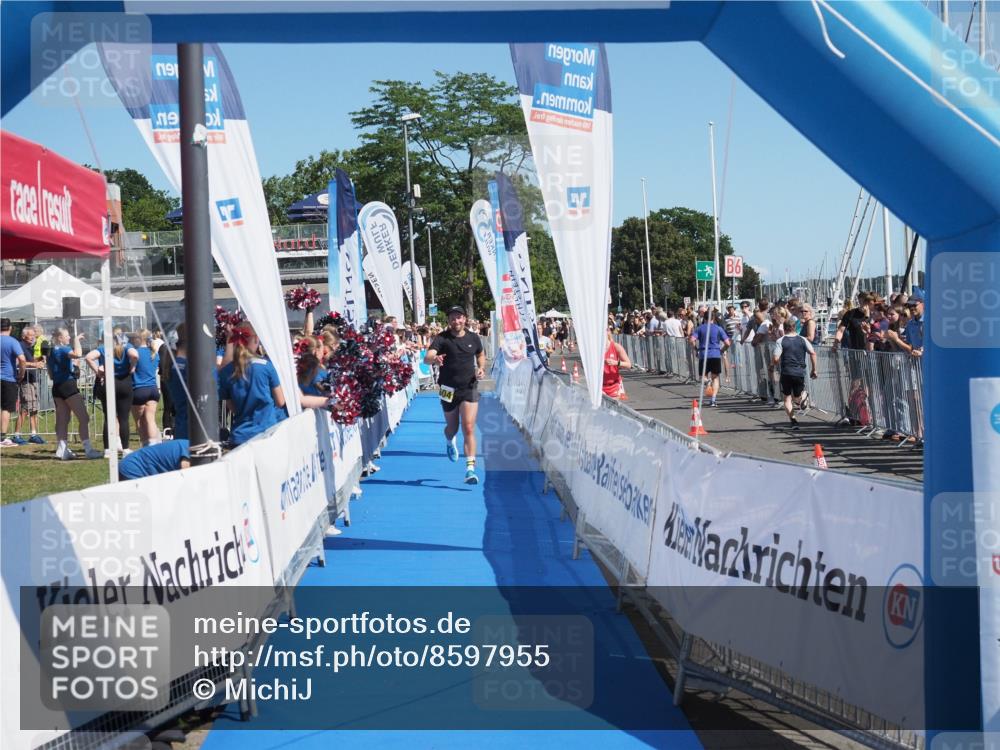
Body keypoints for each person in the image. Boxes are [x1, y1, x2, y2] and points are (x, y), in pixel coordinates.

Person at [424, 306, 486, 484]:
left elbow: (480, 354)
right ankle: (449, 441)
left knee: (468, 427)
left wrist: (481, 368)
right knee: (453, 428)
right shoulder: (442, 338)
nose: (456, 321)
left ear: (465, 319)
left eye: (459, 318)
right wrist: (434, 359)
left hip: (469, 387)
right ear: (449, 321)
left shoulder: (473, 337)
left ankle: (470, 469)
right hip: (447, 389)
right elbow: (427, 357)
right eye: (452, 318)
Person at [218, 324, 286, 446]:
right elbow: (280, 401)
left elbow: (232, 407)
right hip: (266, 434)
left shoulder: (225, 372)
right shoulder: (266, 366)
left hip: (240, 437)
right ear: (256, 339)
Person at [47, 327, 102, 459]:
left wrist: (72, 367)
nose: (69, 338)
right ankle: (88, 450)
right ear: (60, 338)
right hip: (68, 386)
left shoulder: (50, 351)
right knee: (84, 418)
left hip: (57, 386)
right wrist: (77, 340)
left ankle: (62, 449)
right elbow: (78, 353)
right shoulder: (64, 349)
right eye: (67, 336)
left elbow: (50, 372)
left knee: (63, 419)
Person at [85, 329, 139, 454]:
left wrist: (98, 372)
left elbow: (88, 357)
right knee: (124, 418)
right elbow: (135, 355)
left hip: (108, 382)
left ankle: (107, 449)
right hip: (124, 383)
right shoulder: (126, 347)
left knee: (108, 418)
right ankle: (125, 448)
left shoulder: (103, 348)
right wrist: (133, 367)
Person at [772, 319, 818, 429]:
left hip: (786, 372)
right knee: (796, 398)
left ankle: (793, 420)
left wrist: (773, 365)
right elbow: (813, 353)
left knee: (787, 398)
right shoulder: (802, 339)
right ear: (794, 327)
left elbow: (775, 358)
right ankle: (801, 399)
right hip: (799, 372)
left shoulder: (780, 341)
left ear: (784, 328)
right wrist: (814, 369)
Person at [12, 324, 46, 444]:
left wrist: (40, 359)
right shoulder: (20, 346)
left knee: (34, 408)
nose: (33, 338)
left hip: (33, 380)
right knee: (25, 408)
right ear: (24, 336)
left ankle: (34, 434)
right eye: (30, 335)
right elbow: (18, 363)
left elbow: (31, 361)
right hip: (25, 381)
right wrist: (34, 365)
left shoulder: (30, 347)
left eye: (34, 335)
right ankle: (16, 435)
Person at [689, 311, 731, 407]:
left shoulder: (699, 328)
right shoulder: (718, 328)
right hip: (715, 354)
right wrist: (722, 350)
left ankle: (707, 382)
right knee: (715, 378)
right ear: (714, 318)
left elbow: (691, 340)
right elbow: (728, 343)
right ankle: (713, 400)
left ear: (704, 318)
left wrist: (696, 349)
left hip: (704, 354)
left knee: (702, 377)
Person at [131, 329, 163, 446]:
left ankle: (145, 445)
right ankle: (153, 445)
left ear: (138, 339)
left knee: (139, 421)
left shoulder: (134, 353)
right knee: (150, 419)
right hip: (153, 389)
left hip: (138, 389)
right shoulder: (154, 353)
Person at [1, 318, 26, 447]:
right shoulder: (12, 342)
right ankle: (2, 438)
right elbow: (22, 359)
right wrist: (21, 374)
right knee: (6, 409)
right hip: (7, 378)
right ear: (10, 328)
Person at [119, 439, 191, 481]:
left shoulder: (189, 445)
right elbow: (186, 477)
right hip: (134, 468)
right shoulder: (191, 450)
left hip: (132, 464)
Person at [602, 328, 632, 400]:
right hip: (600, 386)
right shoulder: (595, 349)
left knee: (613, 409)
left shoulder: (616, 347)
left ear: (608, 332)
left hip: (614, 386)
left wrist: (616, 363)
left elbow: (628, 364)